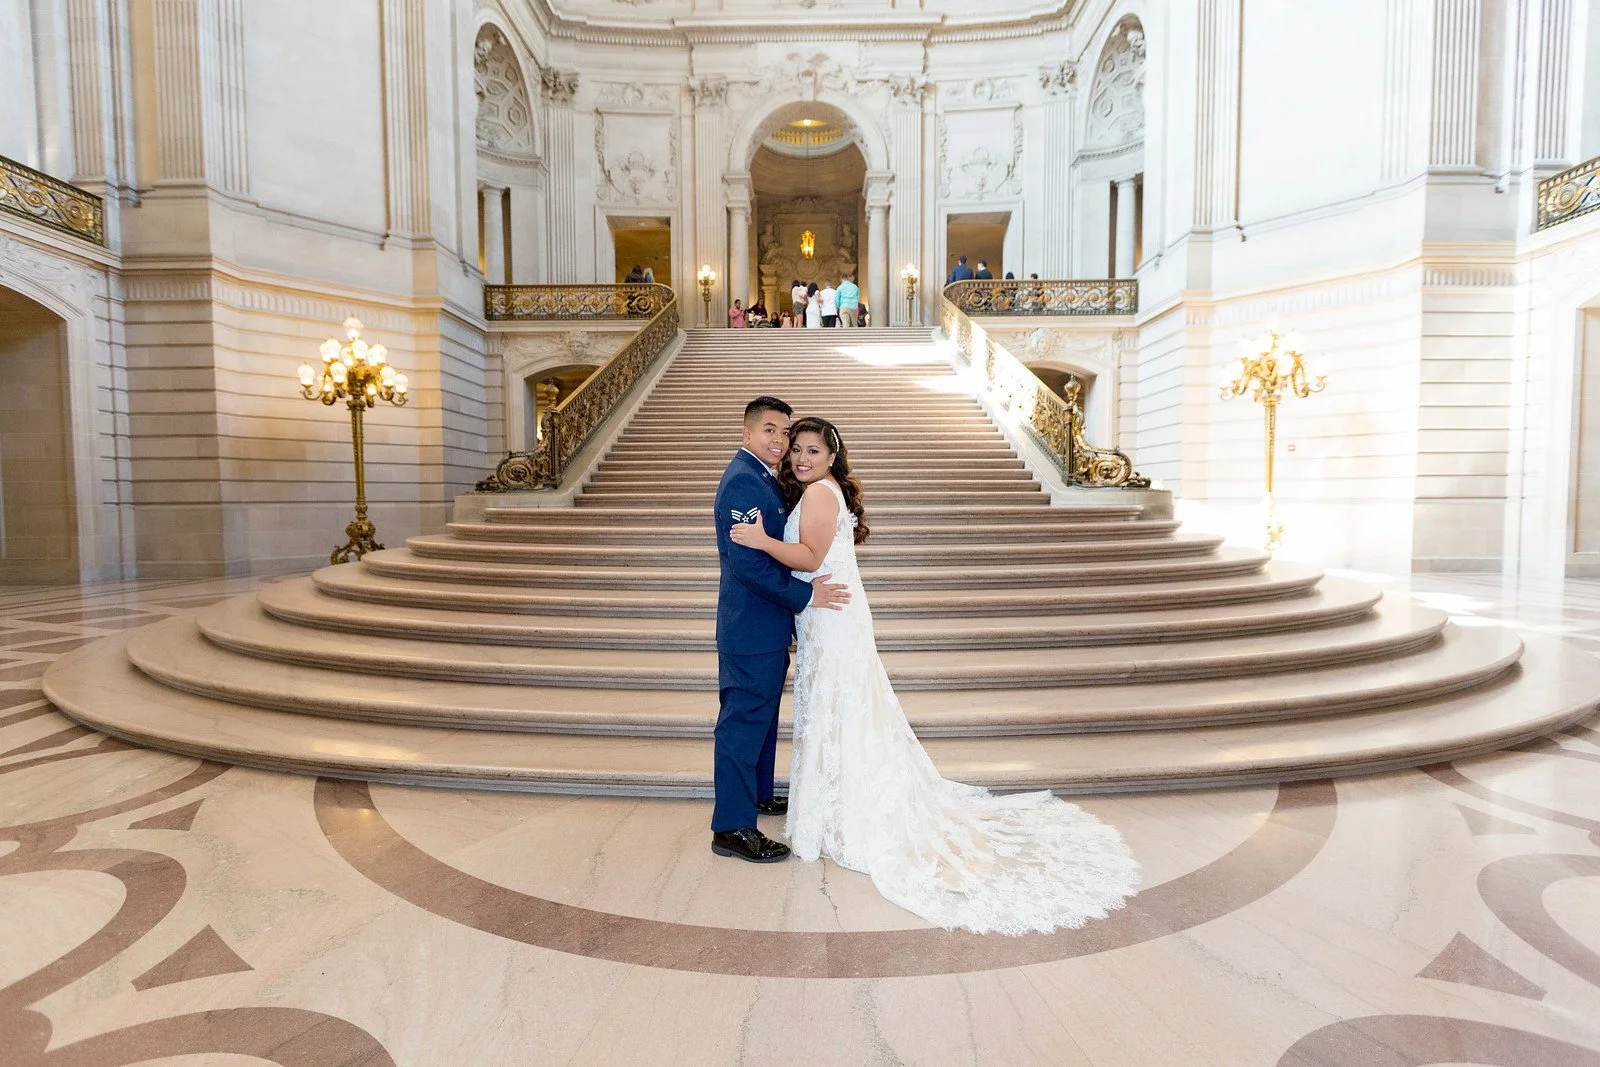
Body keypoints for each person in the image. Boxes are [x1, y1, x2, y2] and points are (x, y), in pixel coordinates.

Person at [729, 417, 1140, 932]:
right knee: (839, 706)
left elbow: (810, 558)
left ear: (832, 456)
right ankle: (837, 802)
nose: (800, 458)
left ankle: (843, 809)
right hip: (829, 613)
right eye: (796, 450)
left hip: (830, 615)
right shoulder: (822, 491)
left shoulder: (817, 494)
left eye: (812, 450)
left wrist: (762, 540)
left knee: (838, 704)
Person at [710, 399, 850, 863]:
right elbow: (748, 564)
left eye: (785, 432)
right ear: (746, 433)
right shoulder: (742, 481)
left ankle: (759, 793)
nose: (780, 440)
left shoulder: (765, 478)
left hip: (766, 625)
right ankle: (732, 826)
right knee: (742, 723)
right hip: (750, 627)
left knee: (764, 716)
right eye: (769, 429)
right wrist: (805, 596)